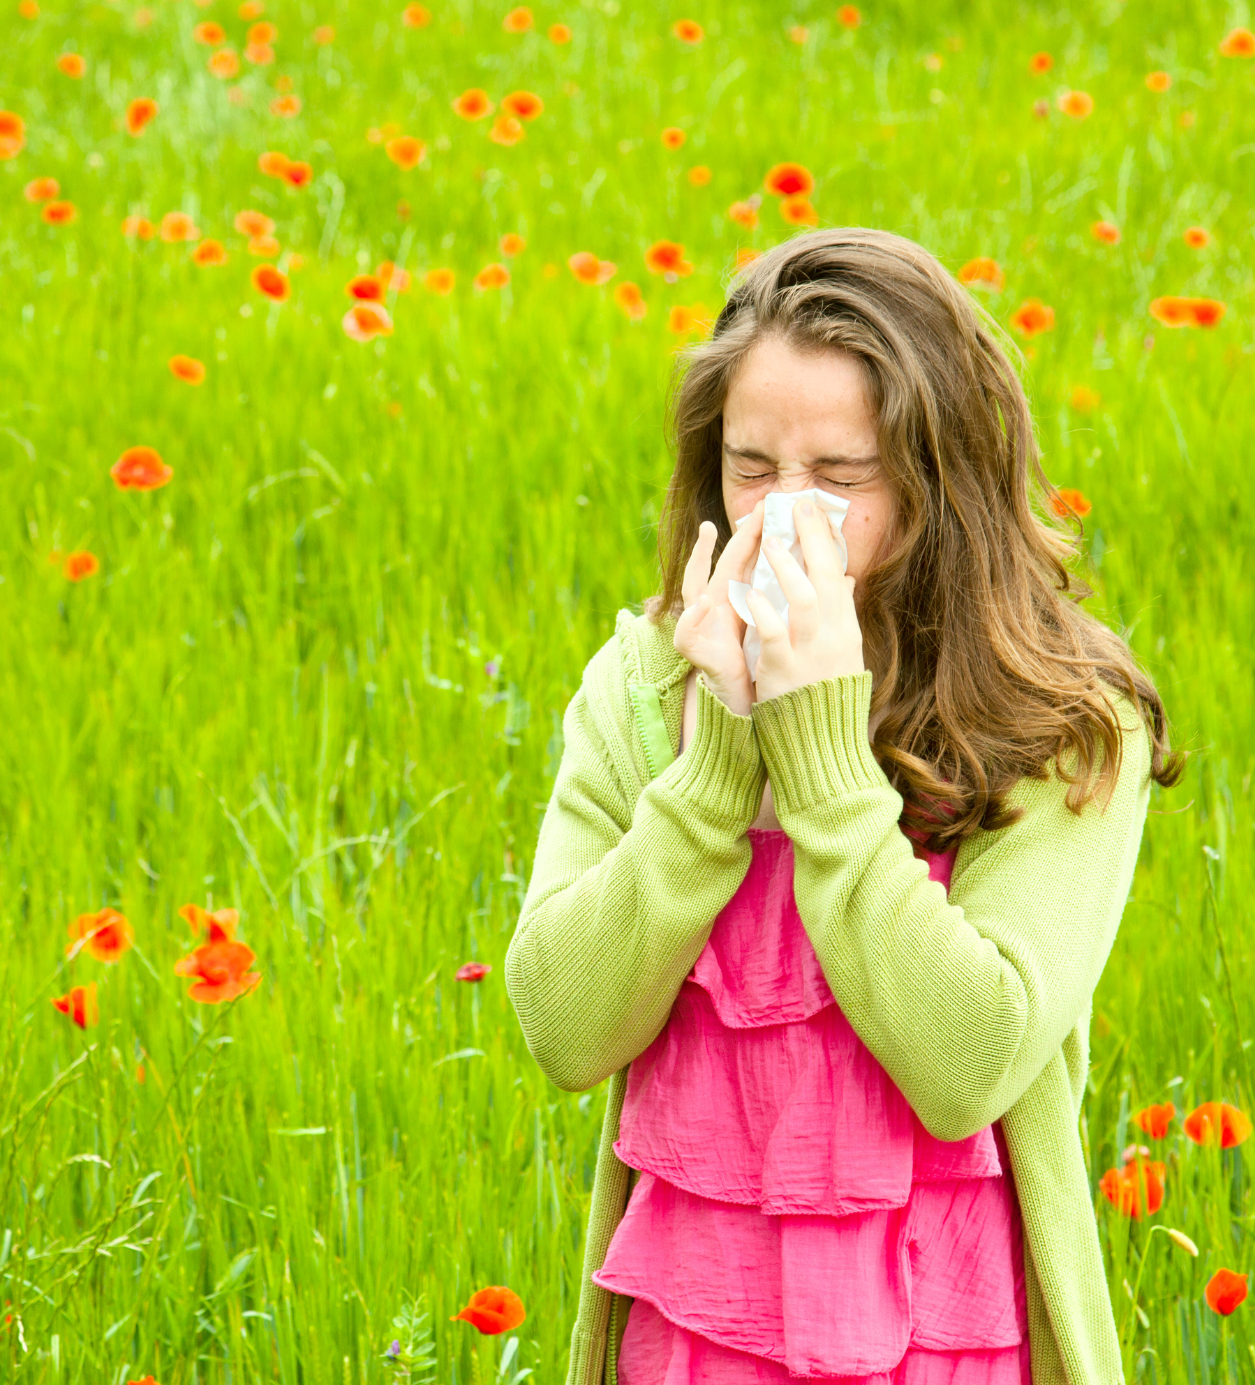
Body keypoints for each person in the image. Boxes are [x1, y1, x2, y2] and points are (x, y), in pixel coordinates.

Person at [505, 227, 1184, 1385]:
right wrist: (715, 768)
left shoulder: (1058, 723)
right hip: (697, 1332)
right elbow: (563, 1026)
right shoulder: (646, 687)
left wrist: (820, 759)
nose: (782, 515)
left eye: (839, 476)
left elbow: (969, 1060)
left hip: (949, 1336)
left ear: (938, 478)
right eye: (750, 467)